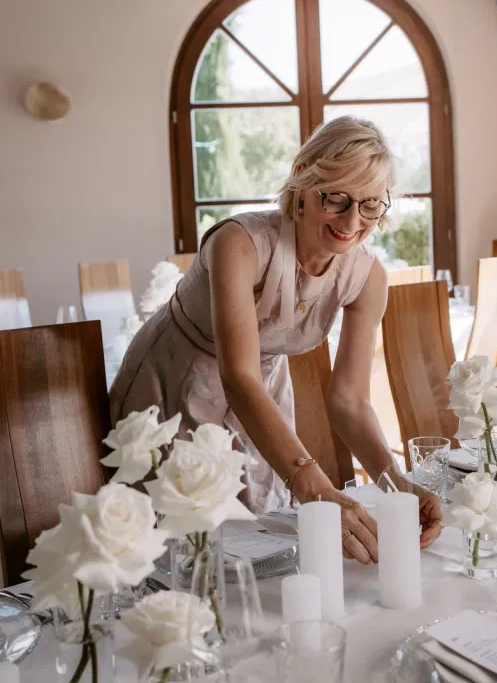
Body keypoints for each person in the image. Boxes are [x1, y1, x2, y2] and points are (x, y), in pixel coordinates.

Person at [110, 116, 442, 563]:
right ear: (304, 180)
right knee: (173, 546)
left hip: (261, 390)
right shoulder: (239, 244)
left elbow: (348, 401)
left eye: (370, 205)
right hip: (172, 382)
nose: (352, 220)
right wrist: (312, 482)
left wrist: (396, 484)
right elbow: (238, 376)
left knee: (259, 548)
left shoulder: (368, 278)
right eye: (337, 198)